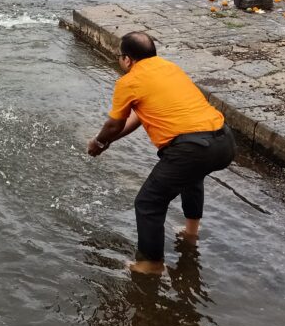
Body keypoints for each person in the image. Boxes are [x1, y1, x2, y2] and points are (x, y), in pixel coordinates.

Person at [87, 32, 235, 275]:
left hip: (189, 149)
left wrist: (98, 142)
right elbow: (136, 118)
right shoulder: (170, 68)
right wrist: (107, 142)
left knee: (148, 203)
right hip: (224, 140)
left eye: (120, 57)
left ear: (127, 59)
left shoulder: (129, 81)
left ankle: (151, 265)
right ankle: (190, 233)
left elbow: (114, 124)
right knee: (192, 177)